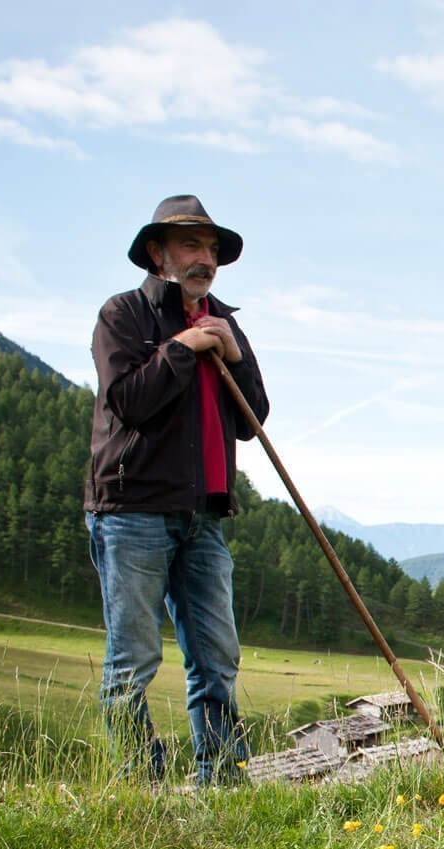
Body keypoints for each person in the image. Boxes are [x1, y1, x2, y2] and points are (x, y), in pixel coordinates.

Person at [84, 195, 270, 786]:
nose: (204, 259)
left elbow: (253, 419)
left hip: (204, 515)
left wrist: (232, 354)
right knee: (133, 661)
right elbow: (129, 402)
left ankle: (222, 784)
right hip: (133, 510)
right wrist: (183, 349)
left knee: (218, 656)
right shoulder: (125, 316)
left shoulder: (224, 323)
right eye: (191, 245)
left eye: (212, 249)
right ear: (158, 252)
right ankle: (141, 790)